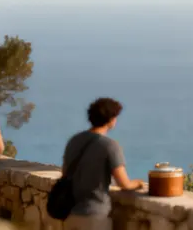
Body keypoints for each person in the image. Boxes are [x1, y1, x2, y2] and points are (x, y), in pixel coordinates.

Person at [61, 98, 145, 230]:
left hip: (70, 214)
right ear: (111, 119)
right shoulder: (110, 146)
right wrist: (139, 183)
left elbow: (65, 174)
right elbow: (124, 184)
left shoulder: (74, 141)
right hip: (95, 215)